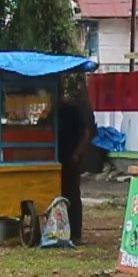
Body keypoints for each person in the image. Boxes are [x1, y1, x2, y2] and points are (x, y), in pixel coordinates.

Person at [57, 97, 94, 244]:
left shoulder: (72, 110)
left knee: (72, 195)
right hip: (55, 159)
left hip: (71, 159)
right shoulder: (52, 112)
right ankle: (60, 230)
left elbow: (85, 133)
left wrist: (77, 153)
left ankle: (76, 233)